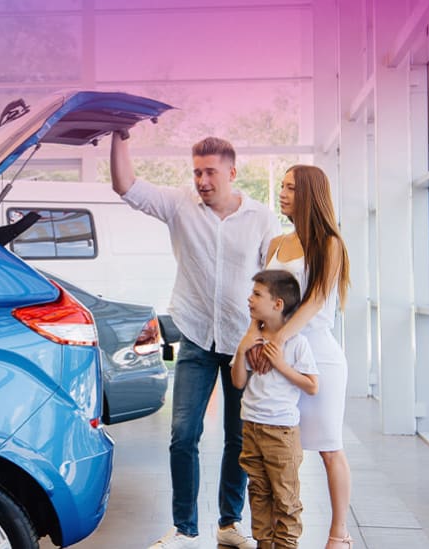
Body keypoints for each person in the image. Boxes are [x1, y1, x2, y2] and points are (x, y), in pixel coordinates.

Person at [111, 131, 281, 549]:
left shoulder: (261, 218)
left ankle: (229, 524)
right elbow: (125, 186)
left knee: (238, 437)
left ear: (232, 172)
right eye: (196, 172)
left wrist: (264, 340)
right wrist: (121, 137)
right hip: (196, 339)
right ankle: (185, 529)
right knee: (183, 434)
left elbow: (274, 285)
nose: (202, 181)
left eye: (210, 172)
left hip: (244, 343)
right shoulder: (179, 205)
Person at [247, 164, 355, 549]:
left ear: (309, 193)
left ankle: (339, 534)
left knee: (328, 447)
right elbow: (263, 303)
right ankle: (279, 535)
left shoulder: (329, 244)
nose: (283, 193)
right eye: (283, 186)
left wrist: (275, 342)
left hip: (317, 357)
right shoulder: (276, 243)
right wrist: (259, 341)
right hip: (276, 359)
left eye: (291, 187)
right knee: (280, 451)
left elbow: (313, 304)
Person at [232, 270, 320, 549]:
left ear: (277, 304)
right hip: (251, 427)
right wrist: (241, 350)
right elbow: (238, 382)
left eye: (257, 294)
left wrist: (281, 364)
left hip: (281, 432)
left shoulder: (296, 343)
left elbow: (312, 386)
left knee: (285, 498)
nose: (250, 299)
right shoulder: (252, 338)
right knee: (258, 491)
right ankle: (263, 543)